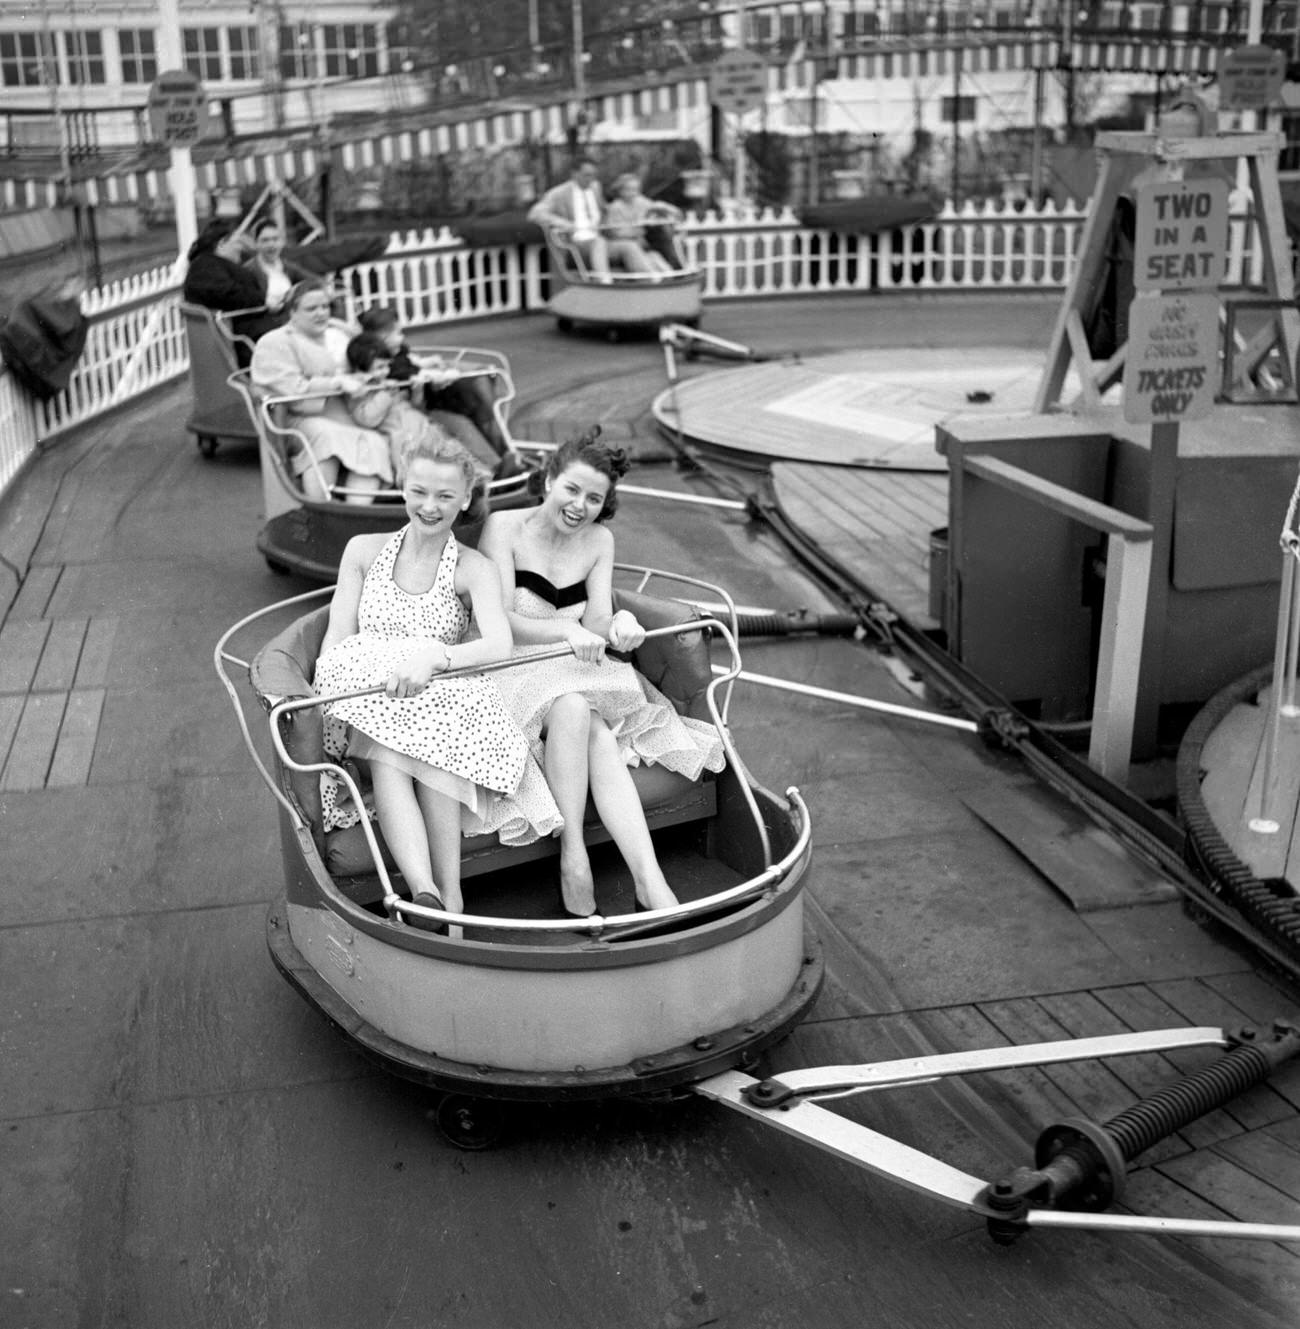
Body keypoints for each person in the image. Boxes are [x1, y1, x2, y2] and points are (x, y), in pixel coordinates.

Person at [312, 431, 562, 927]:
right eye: (418, 491)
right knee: (390, 747)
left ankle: (438, 900)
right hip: (371, 695)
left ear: (466, 499)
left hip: (438, 700)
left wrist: (435, 658)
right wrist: (330, 697)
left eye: (445, 496)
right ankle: (439, 900)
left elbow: (497, 644)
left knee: (423, 750)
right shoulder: (363, 551)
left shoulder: (473, 568)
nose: (429, 506)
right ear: (403, 488)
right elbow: (337, 638)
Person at [480, 430, 725, 917]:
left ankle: (607, 868)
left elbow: (596, 620)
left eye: (594, 498)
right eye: (571, 489)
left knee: (582, 717)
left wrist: (621, 621)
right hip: (511, 664)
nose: (579, 505)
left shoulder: (599, 540)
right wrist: (564, 633)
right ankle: (613, 872)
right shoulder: (503, 527)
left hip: (572, 670)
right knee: (578, 711)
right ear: (549, 479)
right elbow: (501, 620)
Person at [250, 280, 392, 503]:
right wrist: (336, 383)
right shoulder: (275, 341)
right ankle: (321, 509)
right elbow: (290, 389)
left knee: (373, 441)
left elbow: (365, 363)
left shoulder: (337, 336)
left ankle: (356, 513)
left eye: (325, 307)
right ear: (293, 312)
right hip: (296, 415)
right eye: (311, 309)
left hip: (342, 412)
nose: (321, 313)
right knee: (326, 436)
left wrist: (360, 377)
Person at [357, 305, 509, 463]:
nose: (401, 338)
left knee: (477, 393)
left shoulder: (398, 351)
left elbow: (411, 362)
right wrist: (440, 375)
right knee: (463, 418)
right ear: (381, 337)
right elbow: (412, 377)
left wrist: (426, 363)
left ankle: (503, 452)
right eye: (396, 333)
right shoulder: (384, 364)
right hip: (426, 405)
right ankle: (497, 463)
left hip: (432, 397)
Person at [181, 220, 280, 364]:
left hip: (246, 334)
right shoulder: (205, 269)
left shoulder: (206, 266)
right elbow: (232, 295)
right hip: (249, 342)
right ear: (221, 244)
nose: (241, 248)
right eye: (237, 242)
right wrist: (264, 301)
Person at [343, 330, 438, 476]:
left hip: (421, 426)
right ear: (360, 368)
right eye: (379, 367)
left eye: (387, 366)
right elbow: (367, 419)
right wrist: (385, 395)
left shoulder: (387, 382)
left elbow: (416, 408)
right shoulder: (359, 390)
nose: (386, 371)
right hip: (401, 435)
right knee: (413, 462)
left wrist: (417, 391)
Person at [527, 157, 611, 280]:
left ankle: (647, 283)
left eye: (593, 175)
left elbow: (606, 210)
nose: (591, 179)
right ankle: (605, 283)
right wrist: (563, 223)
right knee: (599, 243)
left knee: (628, 246)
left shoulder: (596, 187)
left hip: (600, 239)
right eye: (587, 175)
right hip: (576, 244)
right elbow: (535, 213)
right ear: (574, 174)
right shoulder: (559, 193)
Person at [604, 173, 682, 275]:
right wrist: (637, 230)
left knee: (658, 259)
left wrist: (665, 208)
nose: (632, 193)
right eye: (628, 189)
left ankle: (673, 277)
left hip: (643, 246)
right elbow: (614, 233)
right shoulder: (615, 207)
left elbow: (659, 207)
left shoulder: (640, 202)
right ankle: (654, 279)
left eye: (635, 190)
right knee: (647, 262)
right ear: (620, 191)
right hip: (628, 246)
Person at [247, 218, 311, 316]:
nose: (271, 244)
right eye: (265, 240)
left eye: (275, 239)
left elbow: (313, 281)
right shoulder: (248, 270)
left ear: (282, 242)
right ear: (256, 244)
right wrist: (265, 302)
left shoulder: (288, 266)